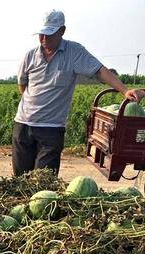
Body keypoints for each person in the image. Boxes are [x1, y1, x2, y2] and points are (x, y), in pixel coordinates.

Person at [13, 10, 145, 176]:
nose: (44, 39)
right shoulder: (30, 56)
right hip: (23, 126)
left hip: (51, 129)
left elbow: (100, 71)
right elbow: (23, 85)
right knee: (19, 180)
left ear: (62, 31)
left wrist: (125, 90)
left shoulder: (73, 52)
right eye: (41, 34)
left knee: (43, 183)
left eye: (50, 34)